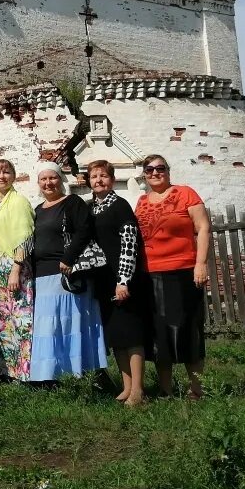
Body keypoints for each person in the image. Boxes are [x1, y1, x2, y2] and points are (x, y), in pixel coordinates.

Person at [133, 153, 211, 399]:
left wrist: (201, 263)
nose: (155, 173)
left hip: (183, 271)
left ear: (168, 170)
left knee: (189, 329)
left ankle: (197, 389)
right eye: (149, 170)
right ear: (144, 175)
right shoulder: (142, 201)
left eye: (160, 168)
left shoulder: (185, 193)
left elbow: (203, 227)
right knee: (158, 334)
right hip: (150, 273)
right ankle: (165, 390)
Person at [29, 166, 107, 382]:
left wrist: (68, 258)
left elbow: (84, 230)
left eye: (53, 178)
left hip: (67, 274)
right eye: (43, 179)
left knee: (70, 323)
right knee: (48, 326)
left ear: (61, 180)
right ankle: (49, 376)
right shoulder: (37, 210)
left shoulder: (72, 203)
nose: (48, 183)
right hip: (42, 275)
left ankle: (80, 373)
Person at [86, 160, 149, 407]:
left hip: (122, 279)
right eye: (94, 176)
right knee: (116, 336)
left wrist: (123, 280)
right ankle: (126, 386)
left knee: (132, 335)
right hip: (103, 280)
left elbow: (129, 244)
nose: (99, 180)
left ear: (112, 180)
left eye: (103, 176)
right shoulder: (91, 208)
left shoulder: (120, 206)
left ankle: (138, 390)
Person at [0, 159, 34, 380]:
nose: (2, 176)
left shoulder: (19, 201)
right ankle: (5, 371)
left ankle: (26, 372)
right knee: (2, 320)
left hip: (16, 265)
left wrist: (16, 267)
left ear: (13, 176)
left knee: (21, 320)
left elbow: (26, 236)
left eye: (6, 172)